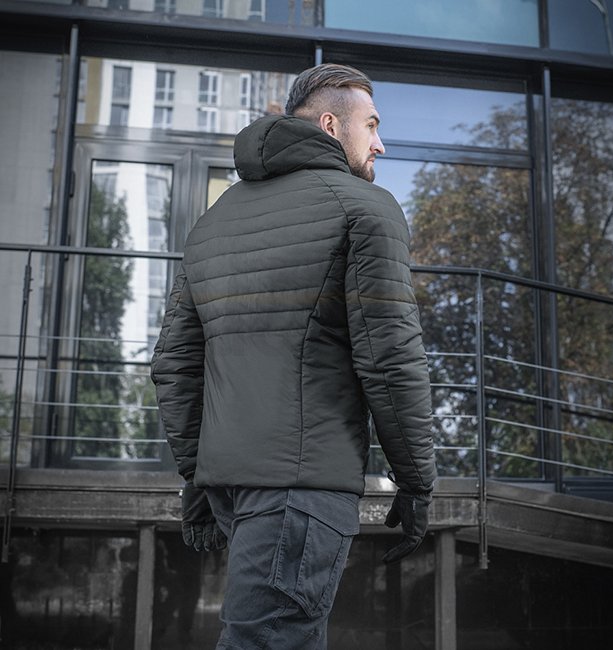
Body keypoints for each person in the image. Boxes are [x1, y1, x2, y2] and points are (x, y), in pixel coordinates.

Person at [151, 62, 437, 649]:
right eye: (372, 125)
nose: (381, 144)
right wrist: (416, 482)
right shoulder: (365, 207)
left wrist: (197, 476)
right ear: (331, 125)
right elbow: (390, 357)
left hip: (233, 487)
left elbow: (175, 363)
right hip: (302, 486)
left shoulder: (213, 222)